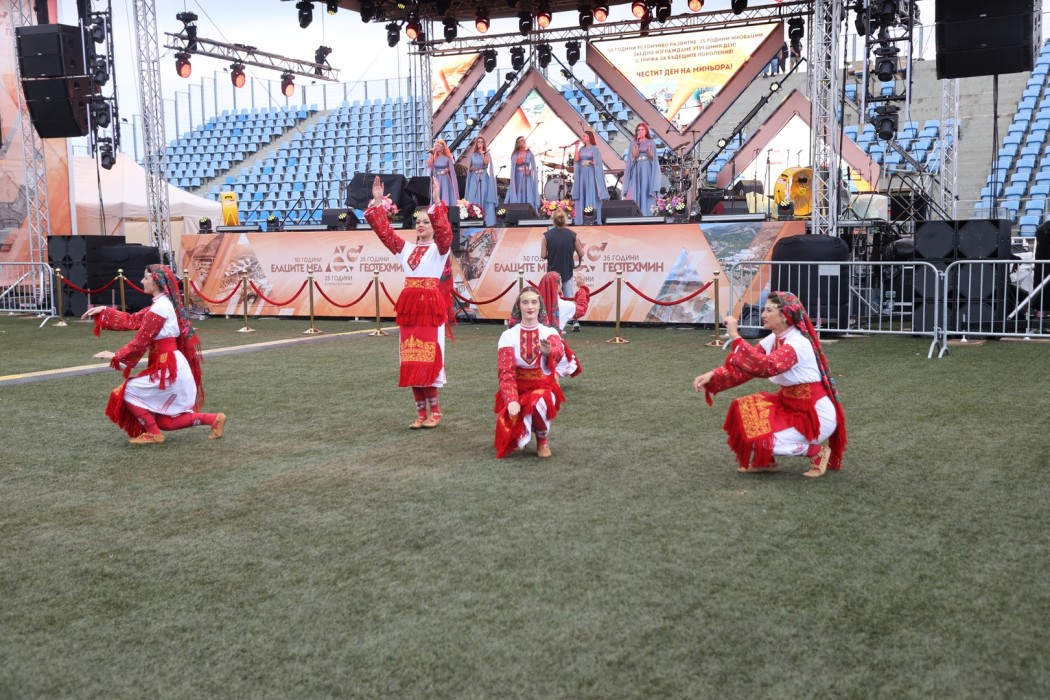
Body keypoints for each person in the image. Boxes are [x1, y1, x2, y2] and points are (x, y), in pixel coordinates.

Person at [692, 291, 847, 477]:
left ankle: (816, 452)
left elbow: (766, 367)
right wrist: (713, 375)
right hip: (789, 405)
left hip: (814, 415)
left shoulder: (798, 343)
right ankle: (766, 461)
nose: (763, 314)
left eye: (769, 310)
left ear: (784, 315)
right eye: (764, 310)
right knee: (745, 413)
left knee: (758, 439)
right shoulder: (773, 339)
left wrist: (735, 336)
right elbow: (747, 367)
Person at [82, 264, 225, 444]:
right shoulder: (161, 304)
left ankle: (153, 434)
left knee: (126, 392)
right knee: (166, 422)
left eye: (146, 278)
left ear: (156, 282)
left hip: (168, 367)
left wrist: (116, 355)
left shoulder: (160, 308)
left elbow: (142, 340)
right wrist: (104, 310)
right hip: (170, 365)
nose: (142, 281)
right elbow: (134, 320)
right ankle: (214, 419)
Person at [364, 175, 453, 429]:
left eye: (426, 221)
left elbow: (446, 234)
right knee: (411, 358)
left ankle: (435, 411)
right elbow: (385, 233)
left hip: (430, 309)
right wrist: (378, 202)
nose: (421, 225)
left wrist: (437, 201)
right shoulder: (406, 249)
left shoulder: (440, 250)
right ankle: (420, 412)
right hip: (410, 310)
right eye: (418, 221)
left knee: (428, 357)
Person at [494, 288, 567, 459]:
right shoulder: (508, 335)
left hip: (544, 388)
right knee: (509, 438)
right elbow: (505, 372)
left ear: (540, 306)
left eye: (534, 302)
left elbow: (559, 350)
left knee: (538, 401)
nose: (530, 307)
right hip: (517, 390)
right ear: (519, 306)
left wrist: (550, 351)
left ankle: (542, 442)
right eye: (525, 302)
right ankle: (523, 431)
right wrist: (511, 399)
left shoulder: (549, 332)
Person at [540, 210, 586, 331]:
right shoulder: (572, 235)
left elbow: (543, 255)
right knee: (569, 296)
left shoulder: (546, 236)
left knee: (553, 299)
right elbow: (581, 253)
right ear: (565, 220)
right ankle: (575, 322)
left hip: (552, 273)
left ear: (553, 220)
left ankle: (555, 324)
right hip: (567, 270)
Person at [571, 130, 609, 226]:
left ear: (589, 137)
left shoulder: (595, 149)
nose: (582, 137)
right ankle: (581, 218)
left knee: (590, 192)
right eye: (582, 136)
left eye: (584, 136)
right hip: (582, 173)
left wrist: (592, 163)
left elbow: (598, 163)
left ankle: (591, 217)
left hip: (591, 173)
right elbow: (576, 160)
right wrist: (576, 147)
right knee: (583, 193)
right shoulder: (581, 149)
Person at [623, 122, 660, 217]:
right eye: (638, 130)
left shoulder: (651, 142)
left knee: (645, 188)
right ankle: (636, 213)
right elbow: (633, 156)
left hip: (647, 168)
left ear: (646, 131)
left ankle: (647, 213)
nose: (640, 131)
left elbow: (653, 158)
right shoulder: (633, 142)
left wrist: (649, 153)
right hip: (637, 167)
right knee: (636, 188)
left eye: (642, 129)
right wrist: (637, 146)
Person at [464, 135, 498, 227]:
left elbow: (486, 162)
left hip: (483, 177)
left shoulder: (487, 154)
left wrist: (482, 153)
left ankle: (487, 219)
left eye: (481, 142)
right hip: (474, 178)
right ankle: (474, 217)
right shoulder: (473, 155)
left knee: (484, 195)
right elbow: (470, 168)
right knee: (473, 196)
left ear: (484, 144)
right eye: (478, 142)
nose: (480, 143)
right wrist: (472, 168)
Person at [505, 135, 539, 213]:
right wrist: (519, 159)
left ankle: (530, 212)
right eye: (522, 141)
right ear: (518, 143)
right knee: (519, 192)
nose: (524, 142)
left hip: (527, 177)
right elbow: (514, 166)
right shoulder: (515, 154)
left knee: (528, 192)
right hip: (518, 177)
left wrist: (530, 171)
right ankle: (518, 212)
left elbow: (533, 166)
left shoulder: (529, 153)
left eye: (524, 140)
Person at [427, 139, 460, 208]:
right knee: (437, 195)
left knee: (445, 195)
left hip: (445, 179)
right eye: (435, 145)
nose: (436, 147)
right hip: (437, 179)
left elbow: (452, 171)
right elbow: (429, 165)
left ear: (442, 147)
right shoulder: (434, 157)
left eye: (438, 145)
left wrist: (447, 170)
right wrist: (431, 154)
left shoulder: (447, 158)